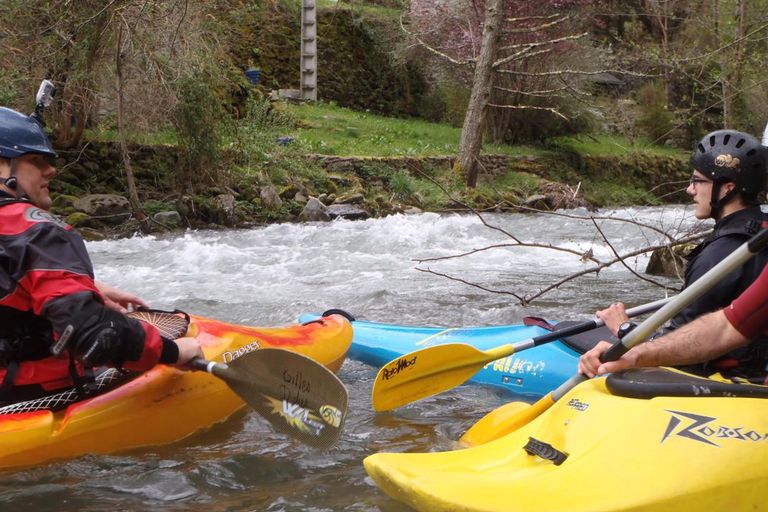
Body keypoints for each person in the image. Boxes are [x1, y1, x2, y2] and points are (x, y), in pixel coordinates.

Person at [0, 105, 203, 403]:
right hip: (31, 398)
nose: (50, 170)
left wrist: (87, 287)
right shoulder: (39, 231)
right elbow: (96, 337)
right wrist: (173, 352)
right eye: (35, 160)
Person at [591, 129, 768, 378]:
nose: (690, 190)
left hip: (723, 381)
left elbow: (680, 348)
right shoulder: (760, 231)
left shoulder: (718, 257)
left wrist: (624, 328)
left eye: (698, 181)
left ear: (727, 188)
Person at [579, 260, 768, 381]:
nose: (690, 193)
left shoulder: (718, 252)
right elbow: (724, 328)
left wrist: (625, 330)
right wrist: (635, 354)